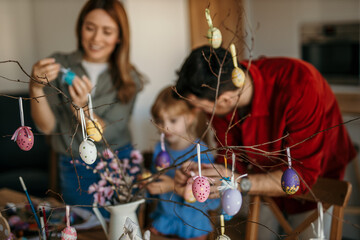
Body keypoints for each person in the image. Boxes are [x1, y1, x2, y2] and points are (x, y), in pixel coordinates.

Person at [173, 45, 357, 239]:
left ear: (225, 99)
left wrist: (240, 183)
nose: (203, 113)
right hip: (262, 179)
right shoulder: (221, 93)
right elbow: (232, 159)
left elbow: (302, 177)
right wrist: (203, 174)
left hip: (318, 176)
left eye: (201, 107)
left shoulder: (299, 85)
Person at [29, 0, 143, 207]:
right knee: (82, 230)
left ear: (119, 37)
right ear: (80, 26)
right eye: (90, 28)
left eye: (107, 31)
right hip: (74, 167)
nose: (96, 38)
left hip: (118, 164)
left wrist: (80, 108)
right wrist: (36, 87)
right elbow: (47, 127)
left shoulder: (129, 78)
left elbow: (101, 135)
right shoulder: (58, 64)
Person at [146, 86, 220, 240]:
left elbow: (209, 198)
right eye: (160, 120)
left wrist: (172, 186)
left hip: (193, 223)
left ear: (190, 117)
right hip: (164, 220)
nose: (165, 127)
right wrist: (147, 183)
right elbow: (155, 179)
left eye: (173, 120)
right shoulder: (159, 149)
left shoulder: (201, 153)